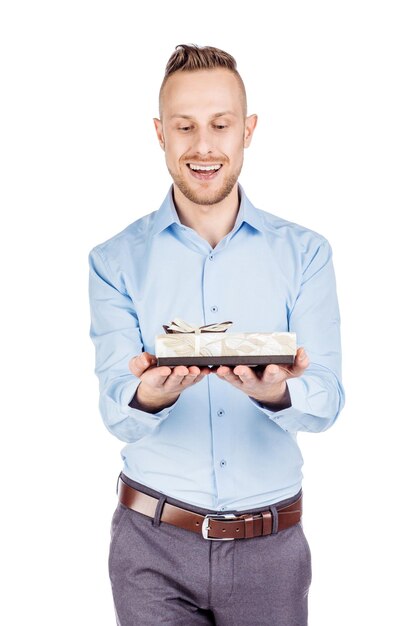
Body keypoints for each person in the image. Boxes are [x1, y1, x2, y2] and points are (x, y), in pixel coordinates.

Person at [88, 43, 345, 626]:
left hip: (270, 550)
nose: (203, 146)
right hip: (151, 542)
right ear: (160, 133)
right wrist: (148, 395)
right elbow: (115, 409)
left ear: (247, 130)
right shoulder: (113, 260)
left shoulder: (306, 254)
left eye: (220, 125)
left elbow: (327, 398)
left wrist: (278, 392)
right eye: (185, 127)